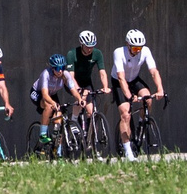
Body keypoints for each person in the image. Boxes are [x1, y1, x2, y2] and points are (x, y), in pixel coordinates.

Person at [112, 28, 164, 159]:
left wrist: (160, 89)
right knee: (125, 113)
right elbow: (121, 77)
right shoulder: (119, 52)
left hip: (134, 79)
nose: (138, 51)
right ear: (128, 45)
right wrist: (129, 96)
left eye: (140, 48)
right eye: (135, 49)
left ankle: (142, 124)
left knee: (148, 98)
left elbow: (154, 71)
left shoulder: (145, 51)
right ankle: (128, 150)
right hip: (119, 82)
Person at [30, 52, 86, 147]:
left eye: (62, 68)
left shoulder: (66, 74)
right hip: (38, 93)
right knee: (49, 106)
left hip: (52, 94)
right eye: (57, 68)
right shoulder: (46, 74)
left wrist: (80, 99)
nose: (60, 71)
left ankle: (57, 152)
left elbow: (73, 90)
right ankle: (42, 135)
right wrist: (52, 103)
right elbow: (44, 95)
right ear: (52, 68)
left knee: (58, 121)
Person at [69, 29, 109, 133]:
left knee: (91, 111)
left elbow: (102, 72)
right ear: (81, 44)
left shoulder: (97, 53)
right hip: (72, 82)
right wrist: (78, 88)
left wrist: (105, 86)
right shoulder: (72, 54)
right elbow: (70, 76)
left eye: (92, 46)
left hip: (86, 82)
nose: (90, 48)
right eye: (87, 46)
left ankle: (87, 137)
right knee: (81, 98)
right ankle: (73, 121)